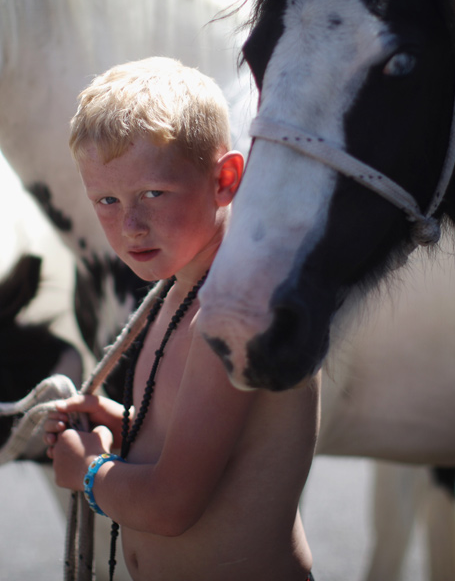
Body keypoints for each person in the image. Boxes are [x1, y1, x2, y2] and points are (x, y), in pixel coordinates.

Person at [44, 57, 321, 581]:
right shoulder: (182, 288)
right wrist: (127, 425)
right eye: (107, 199)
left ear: (225, 179)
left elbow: (172, 506)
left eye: (153, 194)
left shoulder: (233, 315)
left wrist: (89, 471)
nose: (131, 225)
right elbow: (208, 443)